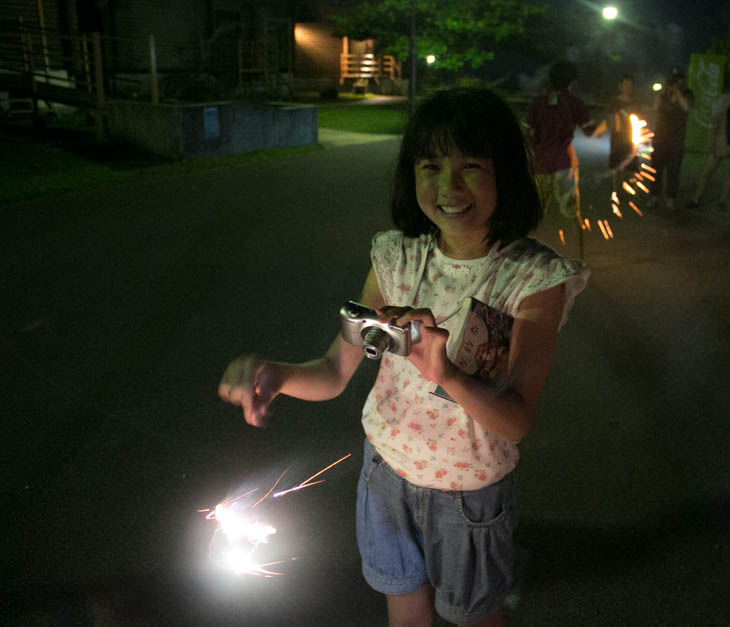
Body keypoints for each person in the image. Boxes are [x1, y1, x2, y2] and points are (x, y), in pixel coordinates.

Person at [217, 87, 589, 626]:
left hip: (467, 491)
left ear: (505, 171)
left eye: (471, 166)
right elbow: (333, 372)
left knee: (475, 617)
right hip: (384, 473)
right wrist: (275, 374)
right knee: (405, 609)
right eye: (430, 165)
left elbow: (516, 419)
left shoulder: (532, 278)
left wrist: (448, 373)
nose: (448, 186)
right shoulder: (396, 256)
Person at [524, 60, 598, 221]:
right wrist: (606, 125)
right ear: (572, 82)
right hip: (565, 164)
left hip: (540, 165)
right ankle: (578, 245)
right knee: (571, 212)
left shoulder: (537, 102)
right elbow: (590, 131)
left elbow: (527, 131)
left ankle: (528, 245)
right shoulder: (574, 102)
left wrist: (534, 151)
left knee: (536, 213)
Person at [688, 72, 730, 210]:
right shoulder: (725, 99)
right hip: (722, 139)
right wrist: (712, 140)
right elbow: (716, 121)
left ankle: (722, 201)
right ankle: (696, 198)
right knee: (709, 171)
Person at [591, 74, 643, 200]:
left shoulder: (636, 103)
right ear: (620, 86)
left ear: (633, 87)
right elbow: (608, 119)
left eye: (630, 85)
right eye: (625, 85)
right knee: (616, 165)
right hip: (617, 138)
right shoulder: (614, 102)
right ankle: (615, 191)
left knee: (633, 166)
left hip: (631, 139)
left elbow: (640, 120)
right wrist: (600, 130)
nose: (627, 87)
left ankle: (633, 192)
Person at [649, 66, 694, 211]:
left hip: (676, 140)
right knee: (656, 169)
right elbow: (655, 108)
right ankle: (654, 197)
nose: (676, 82)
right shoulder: (664, 95)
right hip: (660, 139)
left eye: (679, 79)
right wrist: (664, 91)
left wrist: (677, 92)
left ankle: (670, 199)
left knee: (674, 171)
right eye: (673, 79)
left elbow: (686, 107)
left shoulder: (687, 94)